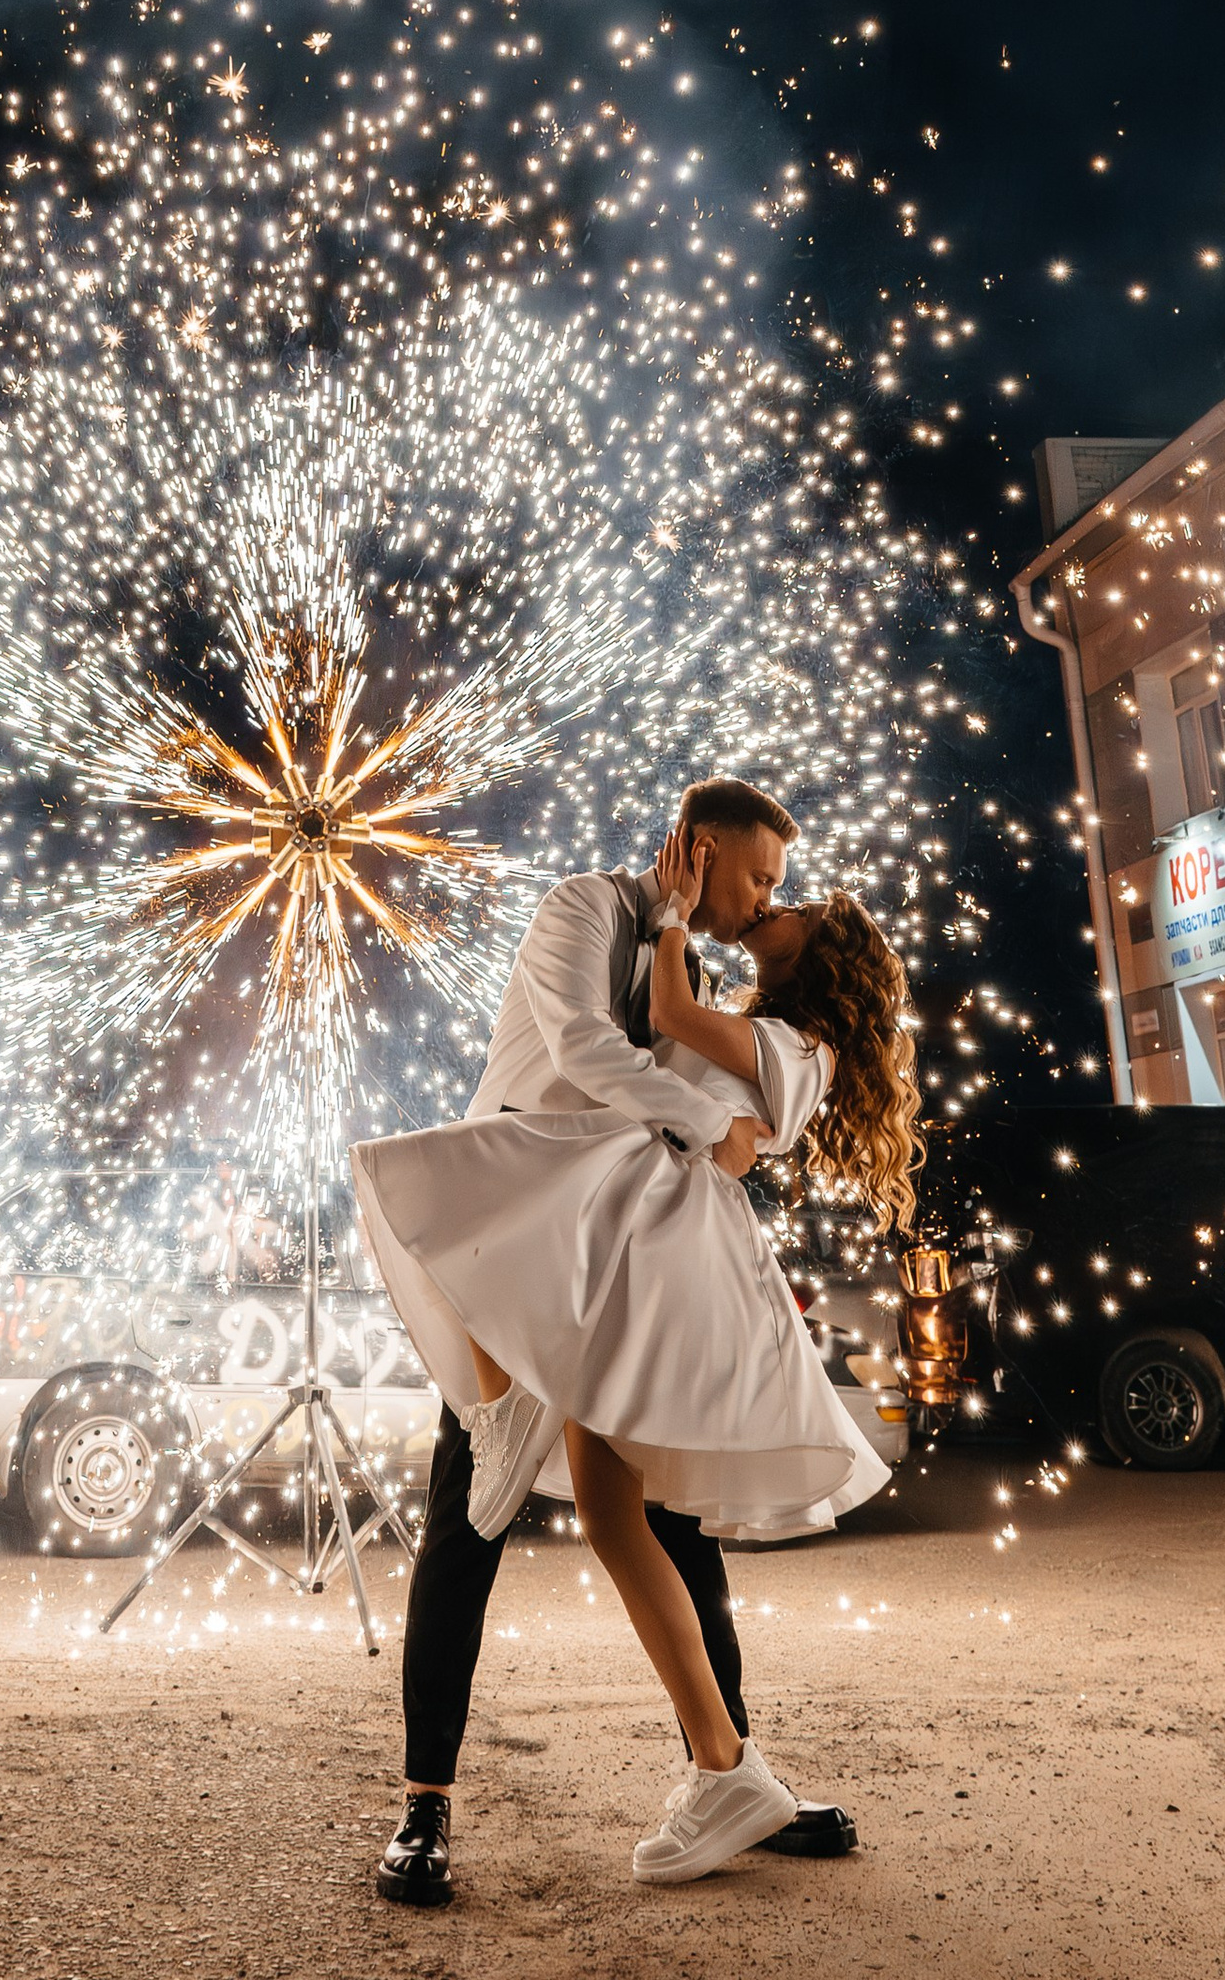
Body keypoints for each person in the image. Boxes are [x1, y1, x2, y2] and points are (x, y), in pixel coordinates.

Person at [354, 779, 905, 1898]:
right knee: (467, 1522)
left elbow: (711, 1078)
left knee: (670, 1524)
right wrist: (715, 1124)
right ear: (697, 850)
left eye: (775, 896)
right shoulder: (582, 910)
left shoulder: (693, 970)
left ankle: (734, 1769)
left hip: (626, 1266)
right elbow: (585, 1043)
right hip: (513, 1248)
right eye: (755, 879)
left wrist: (724, 1126)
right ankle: (424, 1809)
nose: (758, 907)